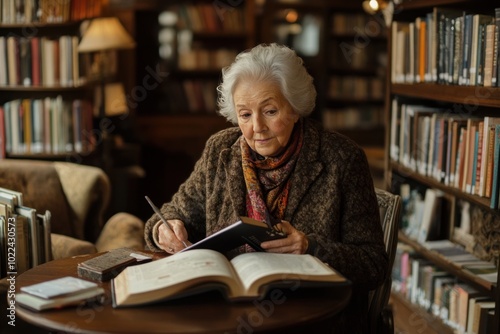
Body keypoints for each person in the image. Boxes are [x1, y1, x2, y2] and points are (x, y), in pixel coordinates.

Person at [144, 43, 388, 333]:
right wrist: (167, 228)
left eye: (270, 111)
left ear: (296, 108)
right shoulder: (220, 149)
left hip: (313, 320)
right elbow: (172, 213)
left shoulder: (342, 159)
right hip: (228, 312)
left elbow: (373, 264)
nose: (256, 127)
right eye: (245, 115)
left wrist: (311, 247)